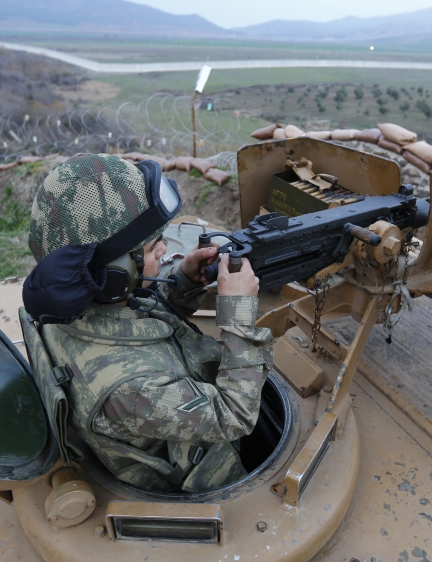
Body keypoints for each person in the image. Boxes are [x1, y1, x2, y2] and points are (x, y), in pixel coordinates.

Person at [22, 153, 272, 493]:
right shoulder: (130, 389)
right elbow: (236, 415)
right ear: (116, 273)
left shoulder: (75, 299)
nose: (165, 250)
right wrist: (238, 310)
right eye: (155, 248)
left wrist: (183, 281)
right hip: (202, 480)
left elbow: (133, 320)